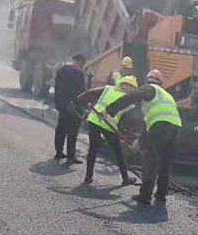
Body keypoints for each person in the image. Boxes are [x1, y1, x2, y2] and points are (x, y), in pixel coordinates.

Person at [103, 69, 182, 205]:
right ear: (161, 82)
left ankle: (145, 195)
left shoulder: (149, 89)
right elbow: (152, 121)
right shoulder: (167, 95)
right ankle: (161, 193)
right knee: (165, 162)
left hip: (160, 127)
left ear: (148, 80)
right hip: (176, 128)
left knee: (150, 160)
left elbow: (130, 97)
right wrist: (140, 141)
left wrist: (109, 110)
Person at [79, 75, 139, 186]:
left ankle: (88, 177)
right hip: (108, 125)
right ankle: (125, 178)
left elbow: (90, 93)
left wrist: (77, 101)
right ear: (133, 89)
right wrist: (123, 133)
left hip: (94, 119)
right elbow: (126, 122)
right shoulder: (129, 102)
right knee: (118, 152)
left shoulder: (108, 88)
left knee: (92, 149)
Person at [53, 54, 87, 164]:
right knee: (72, 132)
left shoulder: (61, 70)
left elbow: (56, 88)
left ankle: (59, 152)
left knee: (61, 128)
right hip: (74, 107)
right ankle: (70, 156)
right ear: (80, 62)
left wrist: (58, 104)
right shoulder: (78, 73)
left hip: (62, 106)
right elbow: (81, 93)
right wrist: (83, 107)